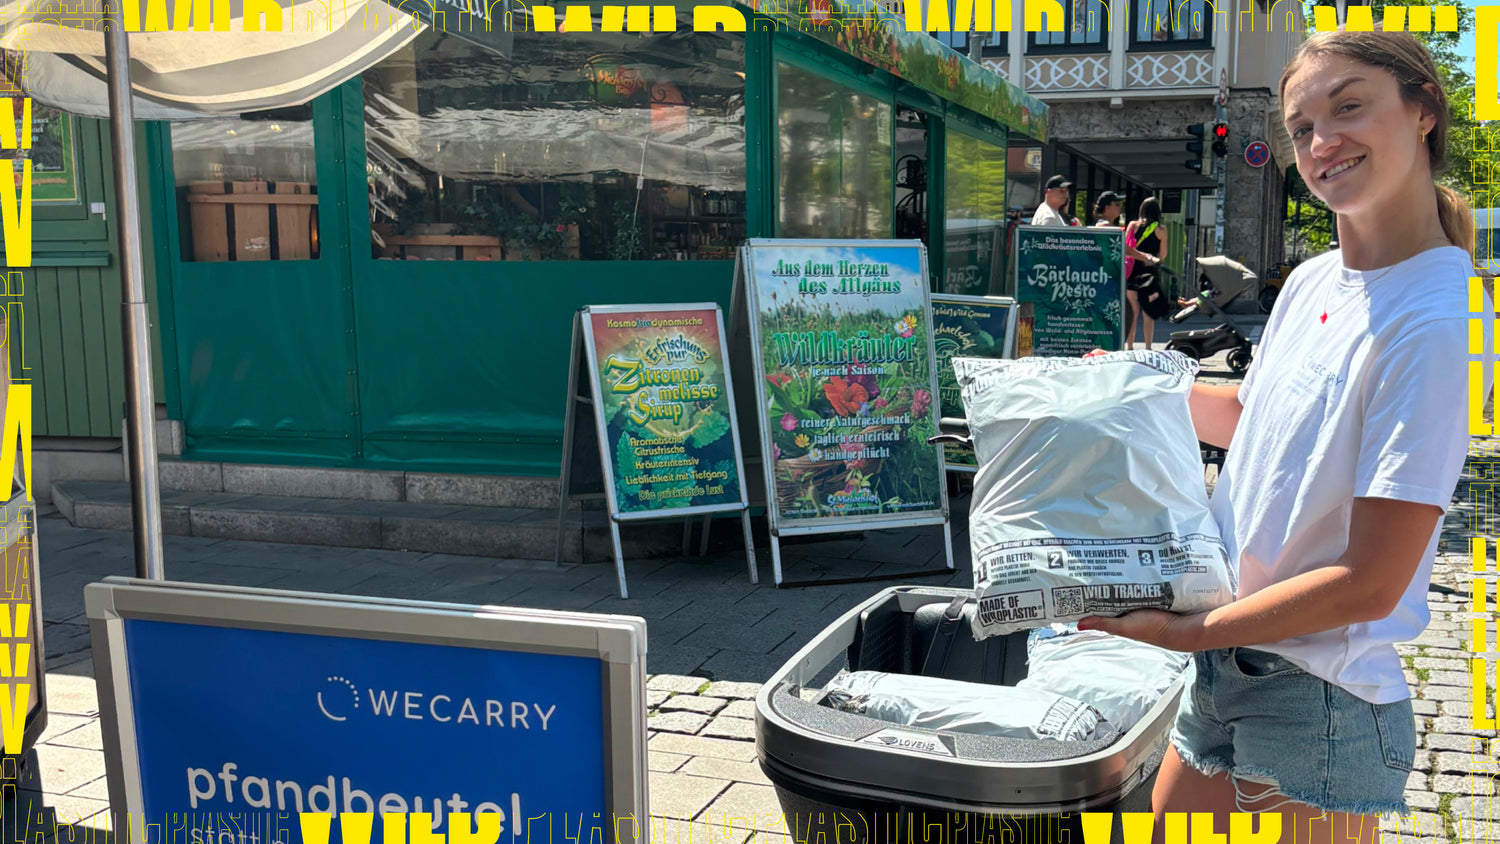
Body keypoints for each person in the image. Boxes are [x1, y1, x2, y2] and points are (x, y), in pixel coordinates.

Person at [1079, 26, 1485, 842]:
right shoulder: (1311, 280)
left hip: (1318, 699)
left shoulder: (1442, 317)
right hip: (1228, 660)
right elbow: (1251, 418)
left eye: (1349, 108)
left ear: (1424, 111)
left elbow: (1369, 581)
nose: (1321, 141)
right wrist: (1128, 384)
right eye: (1302, 127)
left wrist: (1186, 632)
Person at [1124, 197, 1170, 349]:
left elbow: (1126, 247)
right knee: (1148, 313)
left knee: (1132, 311)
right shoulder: (1161, 230)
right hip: (1150, 273)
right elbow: (1163, 255)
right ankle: (1148, 348)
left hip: (1132, 271)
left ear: (1141, 210)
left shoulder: (1133, 225)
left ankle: (1130, 347)